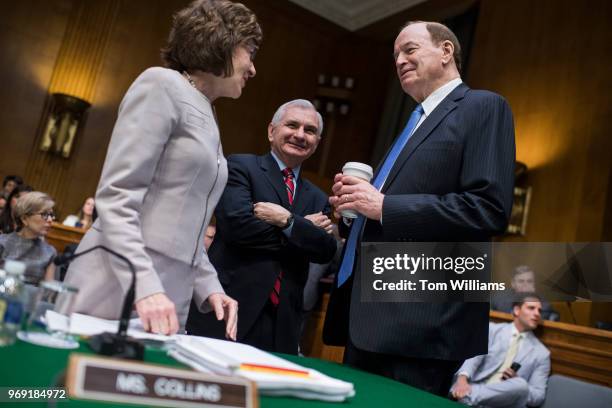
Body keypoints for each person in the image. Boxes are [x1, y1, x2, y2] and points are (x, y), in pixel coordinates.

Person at [324, 21, 516, 395]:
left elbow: (487, 208)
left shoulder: (483, 106)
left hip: (419, 324)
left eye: (409, 49)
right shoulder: (411, 124)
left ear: (446, 51)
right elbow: (390, 209)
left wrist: (384, 207)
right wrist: (354, 211)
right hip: (368, 317)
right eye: (395, 54)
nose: (399, 60)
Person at [63, 0, 262, 337]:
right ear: (221, 42)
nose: (253, 68)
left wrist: (209, 285)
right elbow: (116, 198)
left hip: (171, 295)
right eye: (250, 51)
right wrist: (146, 285)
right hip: (118, 283)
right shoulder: (160, 85)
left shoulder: (209, 114)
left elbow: (187, 224)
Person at [186, 99, 337, 354]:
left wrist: (287, 221)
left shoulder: (318, 198)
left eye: (309, 130)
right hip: (228, 307)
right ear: (271, 131)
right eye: (292, 125)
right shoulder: (241, 167)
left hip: (283, 323)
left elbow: (324, 250)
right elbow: (238, 226)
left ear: (317, 143)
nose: (300, 135)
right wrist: (302, 231)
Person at [450, 293, 550, 407]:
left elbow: (538, 396)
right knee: (461, 378)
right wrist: (462, 379)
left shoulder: (542, 353)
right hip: (472, 386)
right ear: (517, 310)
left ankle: (467, 398)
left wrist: (516, 380)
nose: (537, 314)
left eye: (539, 310)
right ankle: (468, 395)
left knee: (521, 385)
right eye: (531, 308)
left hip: (505, 402)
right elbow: (473, 358)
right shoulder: (491, 330)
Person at [0, 192, 57, 284]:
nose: (50, 220)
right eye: (44, 214)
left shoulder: (49, 252)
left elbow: (48, 292)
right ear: (24, 219)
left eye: (51, 215)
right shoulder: (2, 242)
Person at [491, 265, 558, 320]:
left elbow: (541, 319)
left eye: (529, 281)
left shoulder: (542, 302)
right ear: (513, 283)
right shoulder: (499, 297)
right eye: (521, 281)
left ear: (534, 284)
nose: (525, 285)